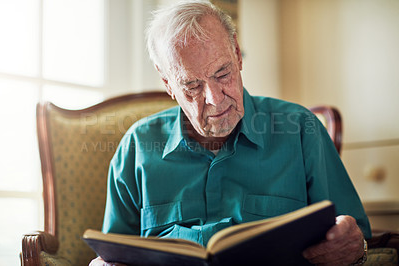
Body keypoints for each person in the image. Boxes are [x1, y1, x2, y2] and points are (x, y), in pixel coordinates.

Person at [90, 1, 371, 265]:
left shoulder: (301, 130)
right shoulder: (137, 146)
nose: (214, 98)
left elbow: (356, 238)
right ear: (168, 84)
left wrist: (355, 248)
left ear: (237, 54)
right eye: (192, 86)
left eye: (222, 73)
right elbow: (114, 253)